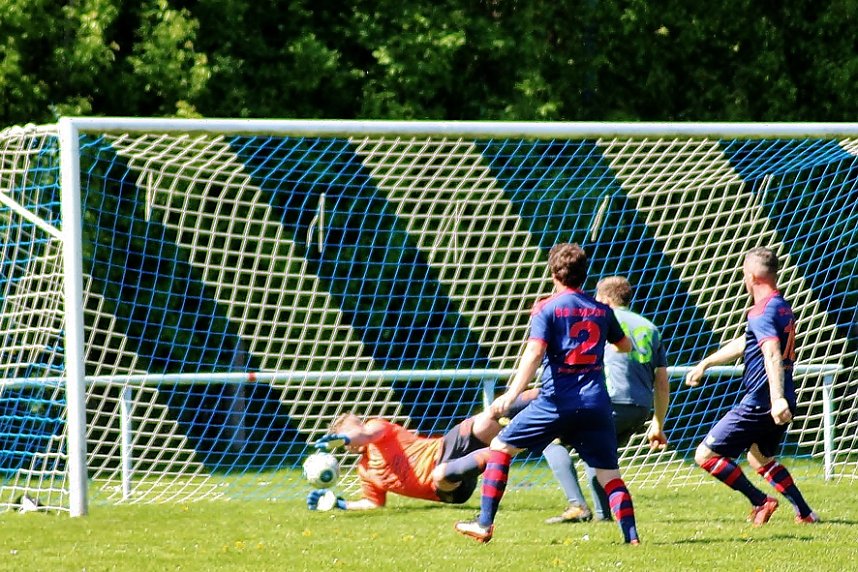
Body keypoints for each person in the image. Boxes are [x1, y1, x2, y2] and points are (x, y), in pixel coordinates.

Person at [453, 242, 641, 544]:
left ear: (554, 273)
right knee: (609, 475)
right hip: (595, 402)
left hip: (556, 401)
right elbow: (625, 346)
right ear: (584, 274)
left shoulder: (547, 307)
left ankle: (484, 524)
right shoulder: (602, 310)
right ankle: (632, 538)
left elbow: (534, 353)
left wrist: (511, 394)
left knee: (501, 446)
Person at [685, 247, 818, 525]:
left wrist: (776, 399)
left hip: (761, 401)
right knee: (760, 458)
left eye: (744, 274)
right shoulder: (780, 306)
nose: (744, 280)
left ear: (753, 276)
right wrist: (706, 363)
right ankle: (805, 513)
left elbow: (771, 352)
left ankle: (761, 501)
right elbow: (748, 343)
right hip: (780, 398)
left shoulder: (761, 311)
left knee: (705, 455)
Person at [542, 275, 669, 524]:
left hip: (607, 401)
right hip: (639, 408)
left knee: (550, 441)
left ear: (605, 299)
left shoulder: (599, 319)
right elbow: (662, 381)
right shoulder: (650, 327)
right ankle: (603, 516)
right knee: (598, 458)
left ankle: (577, 505)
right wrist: (658, 422)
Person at [307, 407, 518, 511]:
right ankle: (509, 448)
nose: (360, 428)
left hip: (444, 449)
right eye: (351, 431)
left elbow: (366, 435)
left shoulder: (377, 428)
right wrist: (340, 504)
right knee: (441, 475)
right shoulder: (365, 471)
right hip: (448, 490)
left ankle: (543, 407)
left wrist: (344, 437)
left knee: (487, 419)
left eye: (359, 424)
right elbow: (373, 503)